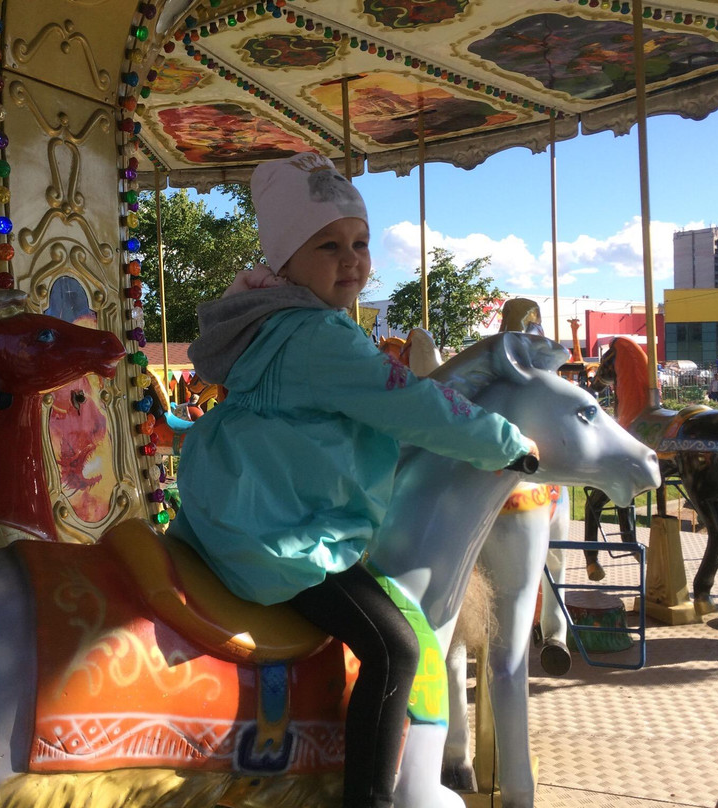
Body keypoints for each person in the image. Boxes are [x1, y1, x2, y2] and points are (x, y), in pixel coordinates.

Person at [168, 151, 538, 808]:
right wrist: (506, 441)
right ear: (285, 262)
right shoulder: (320, 337)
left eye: (360, 243)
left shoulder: (271, 320)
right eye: (329, 246)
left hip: (234, 505)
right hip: (278, 527)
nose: (353, 260)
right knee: (396, 648)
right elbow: (414, 404)